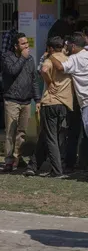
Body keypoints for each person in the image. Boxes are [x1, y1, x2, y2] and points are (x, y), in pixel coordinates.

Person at [49, 33, 88, 179]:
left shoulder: (74, 59)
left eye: (68, 45)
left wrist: (50, 55)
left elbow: (60, 67)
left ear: (73, 46)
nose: (66, 47)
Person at [25, 36, 74, 177]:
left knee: (51, 138)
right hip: (64, 103)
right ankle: (34, 165)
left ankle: (57, 171)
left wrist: (50, 82)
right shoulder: (68, 59)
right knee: (51, 136)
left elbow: (44, 70)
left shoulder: (49, 59)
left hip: (50, 102)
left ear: (50, 48)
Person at [1, 33, 41, 171]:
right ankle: (8, 160)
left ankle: (18, 158)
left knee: (22, 132)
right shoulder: (7, 57)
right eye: (23, 44)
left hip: (26, 101)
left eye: (27, 44)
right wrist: (23, 58)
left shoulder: (30, 59)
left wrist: (37, 99)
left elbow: (34, 79)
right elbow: (12, 71)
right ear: (16, 46)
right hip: (12, 100)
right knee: (10, 131)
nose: (26, 46)